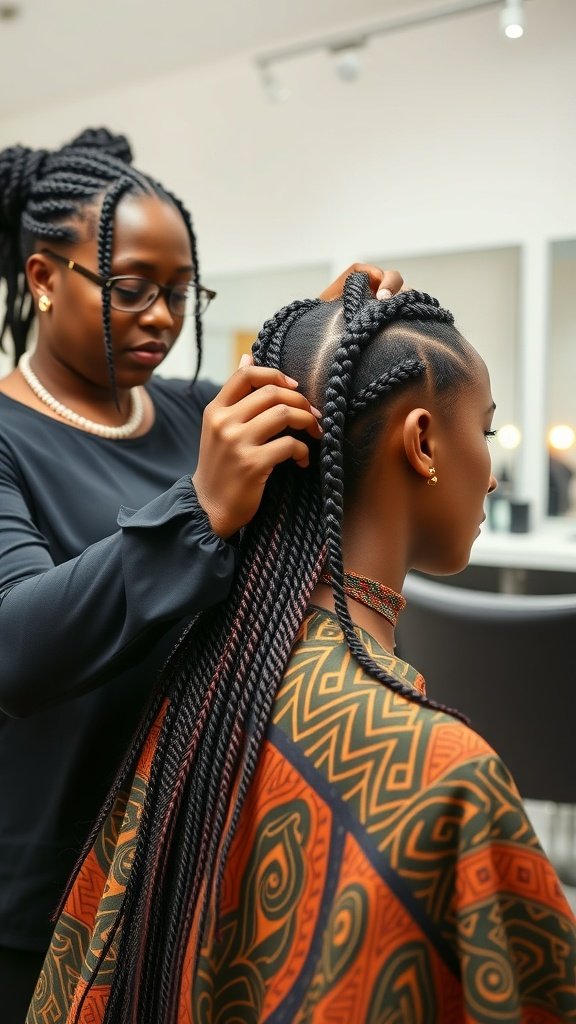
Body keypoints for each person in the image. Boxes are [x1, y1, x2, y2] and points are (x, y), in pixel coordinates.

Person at [27, 273, 576, 1022]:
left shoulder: (212, 676)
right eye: (483, 432)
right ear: (421, 442)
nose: (489, 477)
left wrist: (322, 351)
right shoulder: (451, 778)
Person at [0, 126, 404, 1021]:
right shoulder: (7, 439)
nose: (163, 317)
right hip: (42, 892)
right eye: (132, 288)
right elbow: (15, 649)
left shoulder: (197, 415)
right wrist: (202, 506)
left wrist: (323, 334)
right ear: (42, 278)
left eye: (183, 293)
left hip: (183, 861)